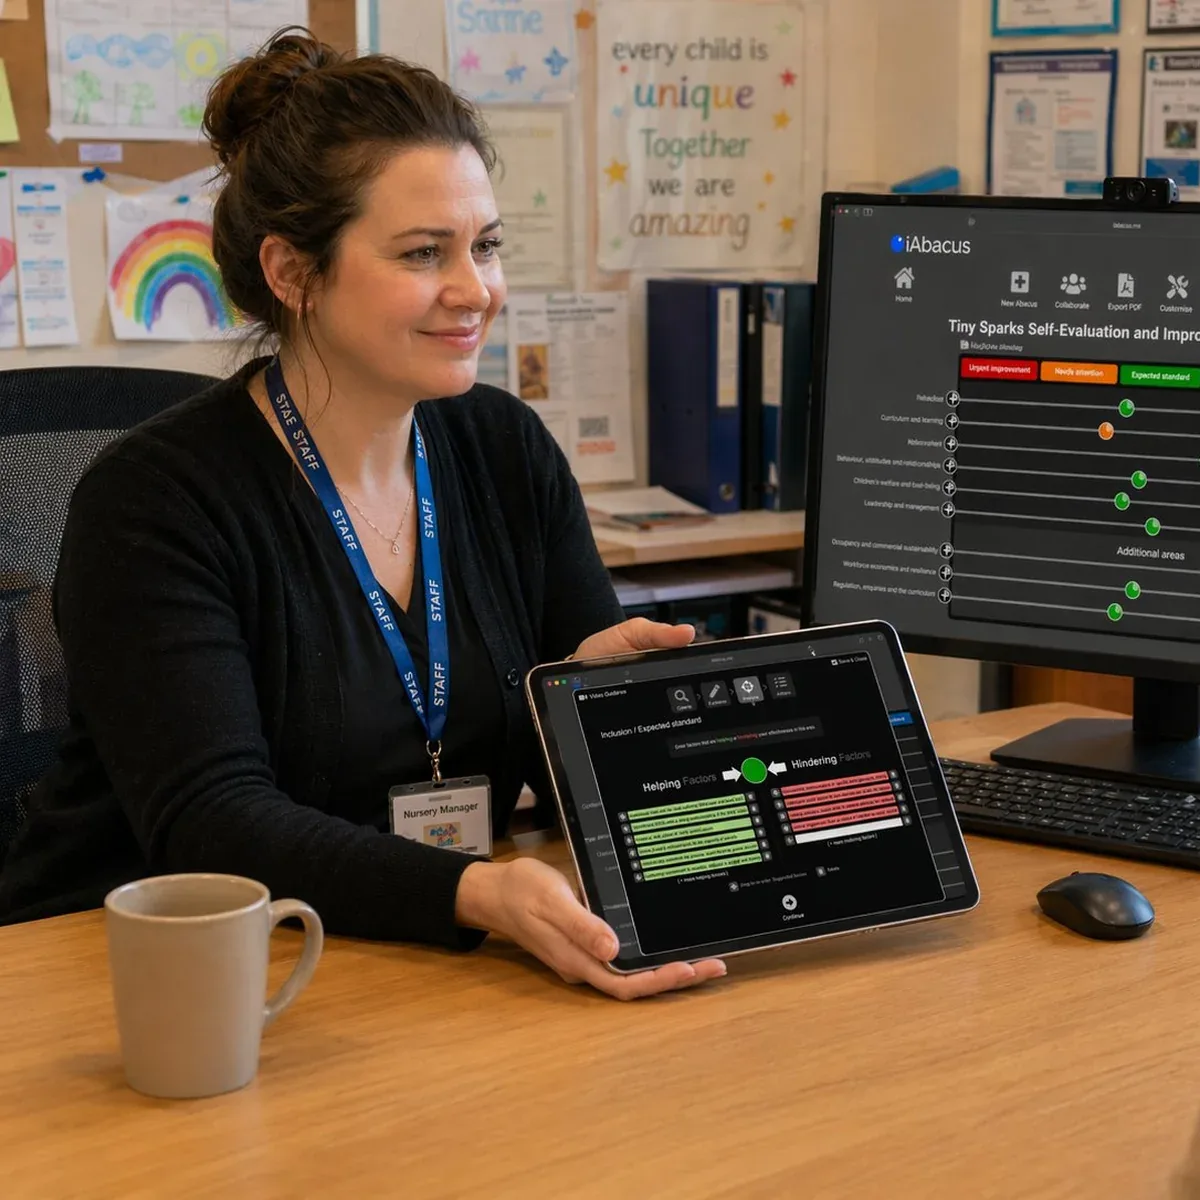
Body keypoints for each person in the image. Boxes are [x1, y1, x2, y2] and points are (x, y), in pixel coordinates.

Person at [0, 32, 725, 1000]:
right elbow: (211, 819)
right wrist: (475, 892)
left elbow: (572, 781)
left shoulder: (502, 447)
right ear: (294, 273)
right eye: (424, 254)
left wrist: (591, 706)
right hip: (153, 977)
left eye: (486, 246)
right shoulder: (156, 499)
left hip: (402, 958)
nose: (476, 290)